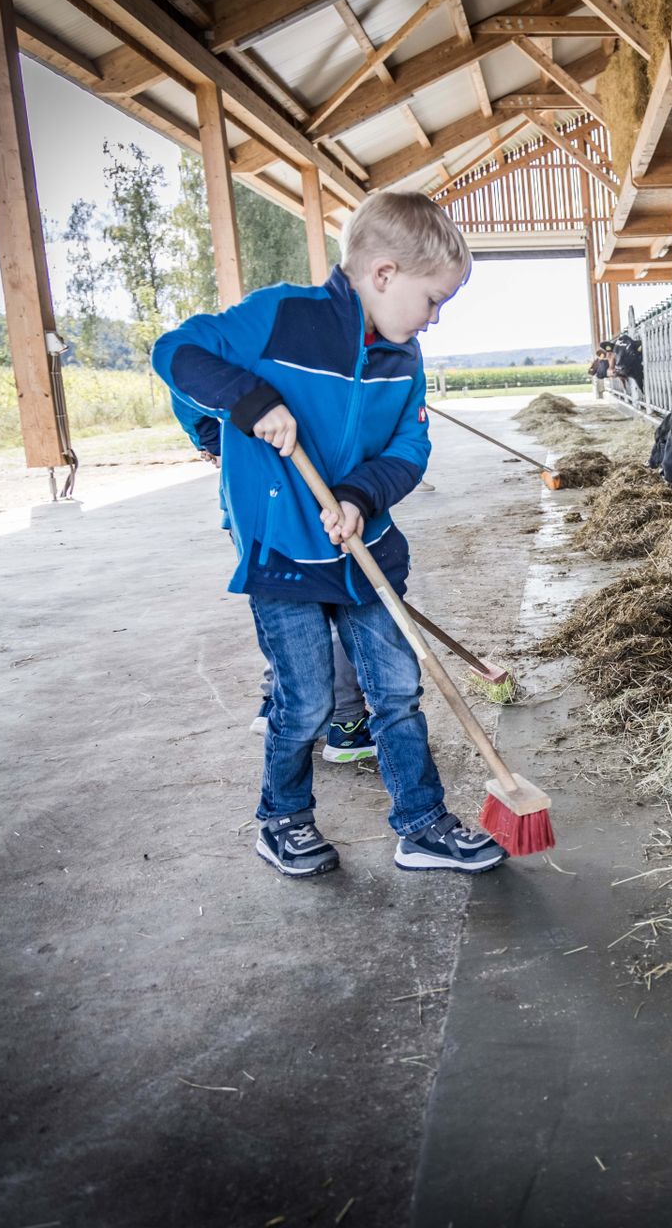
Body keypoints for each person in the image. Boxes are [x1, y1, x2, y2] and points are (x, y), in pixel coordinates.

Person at [153, 191, 504, 878]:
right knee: (307, 698)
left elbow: (408, 451)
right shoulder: (282, 318)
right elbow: (177, 352)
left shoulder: (402, 360)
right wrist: (250, 403)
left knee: (397, 689)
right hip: (283, 548)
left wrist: (356, 496)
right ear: (383, 274)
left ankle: (422, 823)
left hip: (365, 545)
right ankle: (282, 819)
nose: (434, 320)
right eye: (433, 300)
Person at [168, 392, 378, 764]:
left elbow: (186, 394)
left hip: (251, 500)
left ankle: (277, 701)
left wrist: (214, 441)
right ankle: (345, 723)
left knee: (277, 601)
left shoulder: (241, 345)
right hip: (316, 498)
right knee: (332, 604)